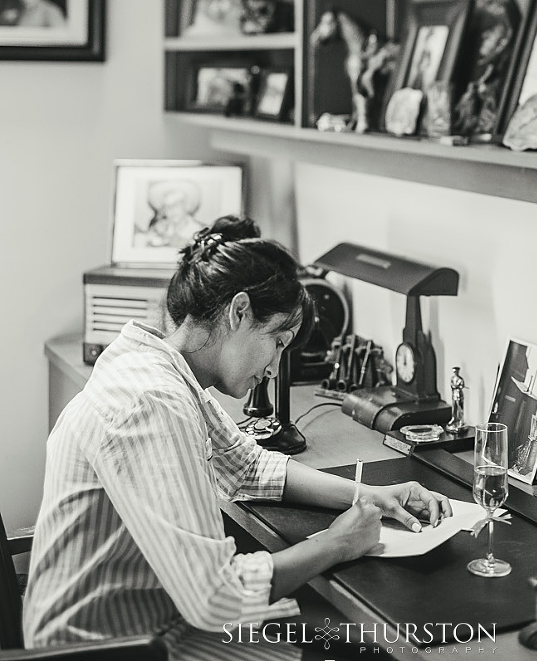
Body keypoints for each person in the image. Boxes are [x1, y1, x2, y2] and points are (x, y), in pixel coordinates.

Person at [23, 216, 450, 659]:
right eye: (278, 341)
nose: (275, 366)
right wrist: (338, 542)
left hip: (149, 615)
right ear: (239, 311)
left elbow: (245, 466)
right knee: (357, 648)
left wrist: (371, 495)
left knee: (338, 636)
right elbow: (215, 599)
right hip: (110, 646)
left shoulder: (163, 366)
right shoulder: (149, 403)